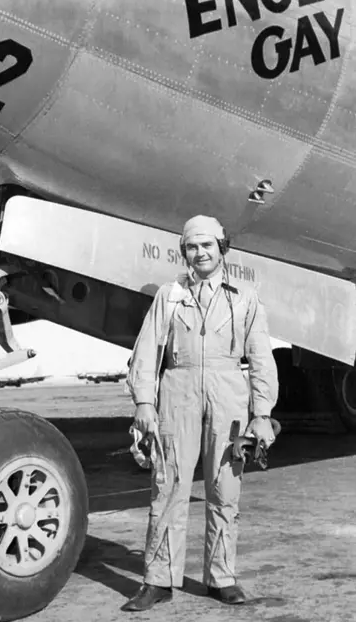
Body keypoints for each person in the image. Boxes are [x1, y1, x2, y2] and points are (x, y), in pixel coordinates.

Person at [122, 215, 278, 611]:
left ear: (221, 248)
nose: (200, 253)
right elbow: (146, 349)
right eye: (192, 247)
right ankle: (158, 579)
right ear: (184, 252)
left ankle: (221, 577)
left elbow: (261, 357)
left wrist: (262, 413)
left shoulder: (245, 297)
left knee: (225, 490)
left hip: (229, 395)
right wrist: (144, 402)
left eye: (207, 245)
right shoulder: (169, 295)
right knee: (168, 485)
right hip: (178, 393)